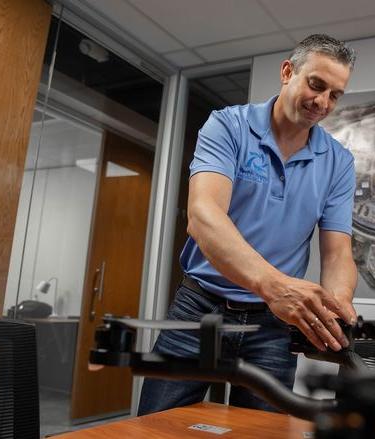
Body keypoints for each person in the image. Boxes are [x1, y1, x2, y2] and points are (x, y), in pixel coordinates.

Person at [138, 34, 358, 415]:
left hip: (273, 326)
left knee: (263, 430)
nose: (322, 102)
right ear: (288, 72)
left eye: (335, 95)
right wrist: (275, 286)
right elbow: (204, 218)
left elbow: (337, 251)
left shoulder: (338, 161)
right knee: (157, 426)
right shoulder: (228, 126)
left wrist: (335, 307)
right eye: (316, 85)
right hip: (200, 309)